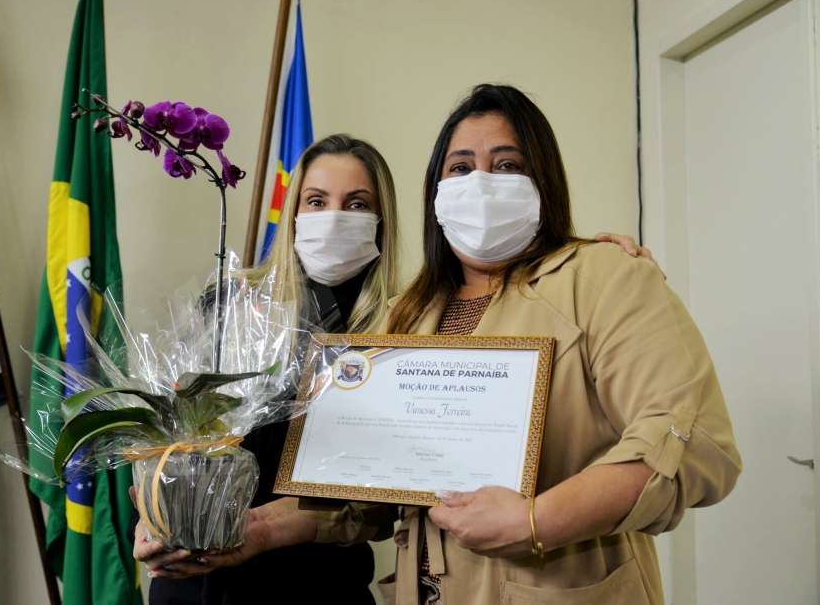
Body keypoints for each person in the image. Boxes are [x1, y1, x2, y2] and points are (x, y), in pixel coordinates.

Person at [135, 130, 662, 605]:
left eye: (356, 204)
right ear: (292, 211)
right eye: (316, 201)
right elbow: (173, 434)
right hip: (196, 570)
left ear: (381, 218)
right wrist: (156, 514)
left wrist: (594, 258)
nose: (333, 217)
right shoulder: (231, 303)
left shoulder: (407, 324)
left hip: (317, 581)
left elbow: (384, 494)